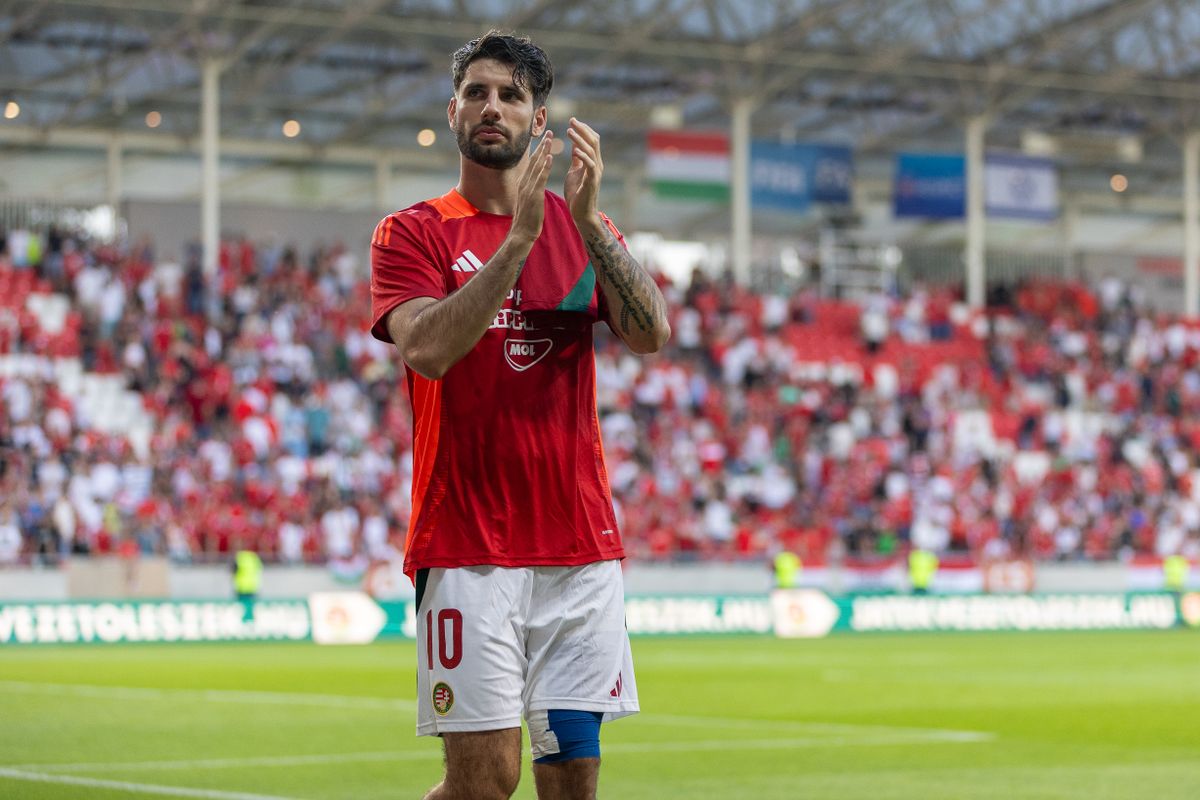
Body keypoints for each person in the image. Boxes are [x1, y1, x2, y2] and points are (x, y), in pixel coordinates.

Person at [368, 31, 670, 800]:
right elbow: (428, 350)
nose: (491, 105)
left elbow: (650, 334)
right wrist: (520, 240)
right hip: (469, 546)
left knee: (574, 781)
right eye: (476, 92)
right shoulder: (413, 232)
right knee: (484, 785)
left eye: (510, 94)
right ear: (452, 112)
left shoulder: (584, 230)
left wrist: (590, 222)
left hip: (578, 550)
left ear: (541, 121)